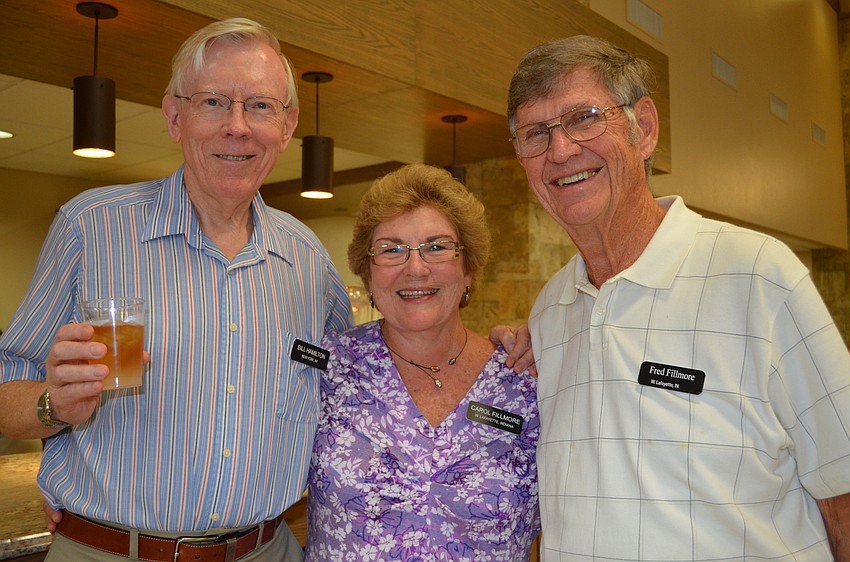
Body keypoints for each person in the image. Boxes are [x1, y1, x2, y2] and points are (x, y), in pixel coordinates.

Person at [0, 18, 353, 561]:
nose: (237, 126)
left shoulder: (307, 259)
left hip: (267, 550)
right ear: (174, 116)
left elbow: (361, 383)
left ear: (288, 126)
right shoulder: (91, 229)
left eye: (260, 105)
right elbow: (7, 390)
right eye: (213, 101)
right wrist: (55, 406)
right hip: (112, 550)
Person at [508, 35, 850, 561]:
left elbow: (842, 489)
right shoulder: (552, 309)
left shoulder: (758, 277)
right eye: (536, 133)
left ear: (644, 129)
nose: (560, 150)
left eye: (584, 118)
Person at [305, 164, 540, 561]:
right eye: (391, 249)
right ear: (368, 274)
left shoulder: (525, 379)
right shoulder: (326, 368)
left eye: (437, 246)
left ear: (469, 270)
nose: (415, 268)